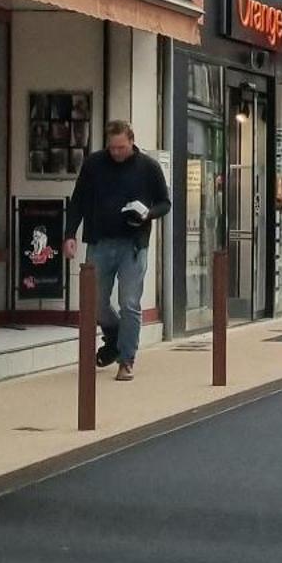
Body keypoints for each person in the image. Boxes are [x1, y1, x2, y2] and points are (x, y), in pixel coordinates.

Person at [64, 119, 170, 382]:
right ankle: (114, 335)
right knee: (96, 303)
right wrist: (69, 234)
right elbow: (78, 200)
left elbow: (165, 203)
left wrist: (148, 214)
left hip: (133, 244)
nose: (116, 153)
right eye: (112, 148)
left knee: (130, 303)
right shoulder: (94, 164)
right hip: (99, 241)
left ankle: (126, 360)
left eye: (121, 147)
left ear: (132, 141)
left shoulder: (148, 167)